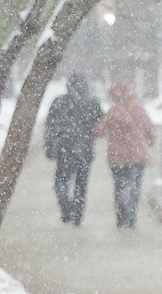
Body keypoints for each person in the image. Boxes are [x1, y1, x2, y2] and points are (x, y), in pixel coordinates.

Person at [94, 81, 157, 229]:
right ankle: (132, 217)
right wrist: (148, 141)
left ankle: (122, 215)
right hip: (137, 155)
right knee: (135, 186)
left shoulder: (113, 112)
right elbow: (151, 131)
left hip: (118, 156)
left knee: (120, 186)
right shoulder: (139, 110)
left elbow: (99, 131)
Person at [43, 73, 102, 225]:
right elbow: (100, 124)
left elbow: (50, 126)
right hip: (85, 149)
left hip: (65, 148)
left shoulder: (59, 102)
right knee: (81, 183)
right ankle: (78, 213)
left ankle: (66, 207)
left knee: (61, 181)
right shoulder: (92, 103)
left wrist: (50, 145)